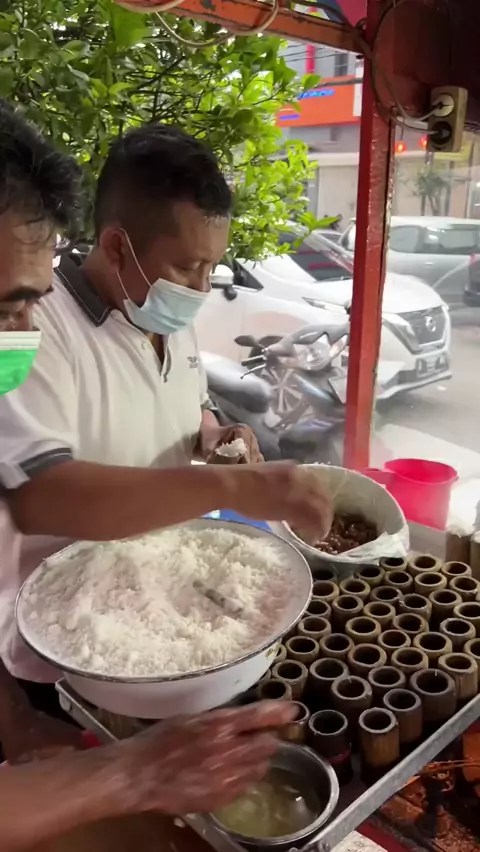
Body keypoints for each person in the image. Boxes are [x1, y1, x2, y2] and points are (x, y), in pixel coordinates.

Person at [0, 100, 302, 850]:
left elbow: (182, 407)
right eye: (186, 267)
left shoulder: (164, 317)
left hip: (157, 607)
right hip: (69, 646)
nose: (200, 285)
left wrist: (216, 437)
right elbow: (45, 493)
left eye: (210, 267)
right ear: (117, 245)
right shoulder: (40, 338)